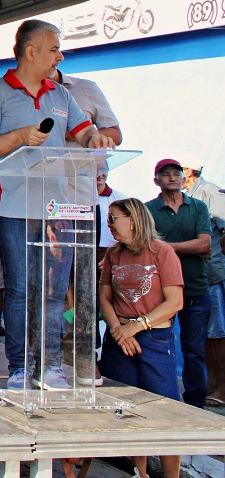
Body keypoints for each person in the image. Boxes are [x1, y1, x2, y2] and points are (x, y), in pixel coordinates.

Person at [0, 20, 114, 391]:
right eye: (54, 49)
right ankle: (20, 366)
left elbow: (83, 130)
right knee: (21, 289)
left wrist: (93, 137)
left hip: (58, 207)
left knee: (53, 290)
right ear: (30, 51)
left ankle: (50, 365)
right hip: (14, 207)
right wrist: (19, 137)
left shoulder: (61, 94)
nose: (60, 55)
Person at [99, 197, 185, 478]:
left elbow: (174, 302)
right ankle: (141, 471)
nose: (109, 225)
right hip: (119, 335)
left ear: (133, 220)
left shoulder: (162, 252)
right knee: (128, 408)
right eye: (108, 219)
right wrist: (118, 330)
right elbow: (105, 296)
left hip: (153, 337)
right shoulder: (113, 253)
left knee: (166, 411)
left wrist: (136, 327)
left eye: (114, 218)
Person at [145, 158, 212, 408]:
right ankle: (164, 399)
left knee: (194, 351)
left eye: (176, 174)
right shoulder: (148, 209)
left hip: (195, 288)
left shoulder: (198, 207)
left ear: (184, 179)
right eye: (165, 174)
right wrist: (188, 248)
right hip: (160, 291)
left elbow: (205, 244)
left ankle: (196, 405)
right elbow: (147, 247)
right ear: (156, 181)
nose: (172, 178)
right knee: (161, 348)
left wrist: (166, 249)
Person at [183, 161, 225, 406]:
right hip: (199, 277)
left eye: (178, 169)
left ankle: (222, 389)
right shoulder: (188, 196)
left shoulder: (210, 192)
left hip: (214, 275)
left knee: (218, 334)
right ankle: (212, 385)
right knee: (208, 335)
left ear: (188, 171)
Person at [52, 68, 123, 146]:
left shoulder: (87, 87)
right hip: (44, 157)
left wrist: (88, 137)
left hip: (86, 157)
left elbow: (116, 135)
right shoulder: (37, 94)